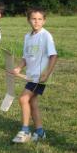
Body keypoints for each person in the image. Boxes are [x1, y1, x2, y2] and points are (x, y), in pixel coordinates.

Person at [12, 7, 57, 143]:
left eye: (39, 19)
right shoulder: (27, 37)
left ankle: (25, 131)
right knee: (32, 102)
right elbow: (26, 57)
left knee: (23, 99)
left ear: (44, 21)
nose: (36, 22)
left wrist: (46, 73)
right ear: (28, 20)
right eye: (33, 19)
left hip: (40, 77)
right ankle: (40, 132)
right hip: (31, 76)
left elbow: (53, 56)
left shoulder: (46, 35)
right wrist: (18, 68)